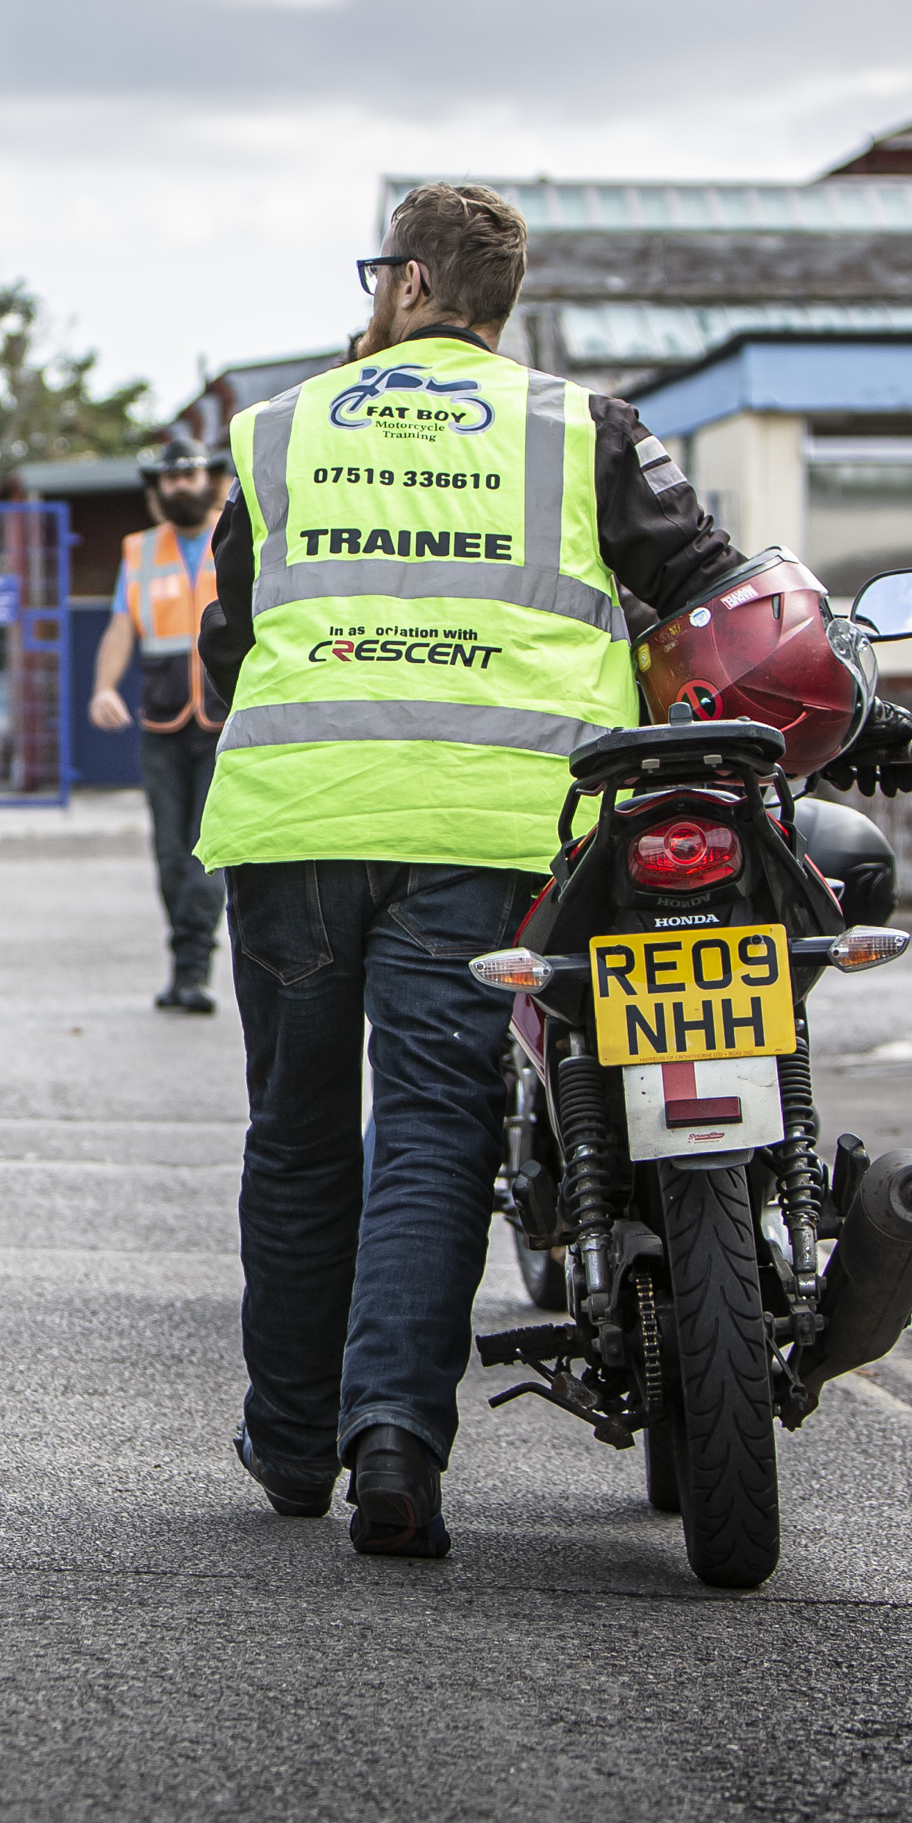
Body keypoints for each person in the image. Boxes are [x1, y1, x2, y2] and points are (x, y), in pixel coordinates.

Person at [193, 181, 757, 1560]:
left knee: (300, 1129)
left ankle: (285, 1436)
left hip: (294, 823)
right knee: (437, 1129)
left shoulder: (277, 430)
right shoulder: (582, 428)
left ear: (409, 285)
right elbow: (713, 589)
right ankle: (393, 1436)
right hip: (485, 827)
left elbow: (229, 639)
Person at [85, 435, 232, 1014]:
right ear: (159, 489)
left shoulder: (240, 534)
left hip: (226, 721)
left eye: (190, 475)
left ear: (209, 480)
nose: (181, 486)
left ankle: (194, 968)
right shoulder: (140, 552)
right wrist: (101, 688)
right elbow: (122, 627)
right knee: (170, 855)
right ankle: (183, 969)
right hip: (163, 720)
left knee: (206, 852)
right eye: (170, 478)